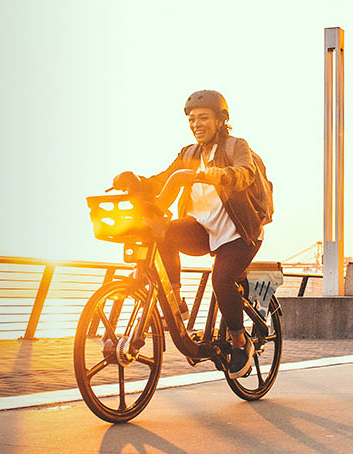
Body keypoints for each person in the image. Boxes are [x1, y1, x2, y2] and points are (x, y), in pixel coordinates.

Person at [116, 90, 273, 377]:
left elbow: (246, 172)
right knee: (162, 232)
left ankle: (240, 342)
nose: (196, 124)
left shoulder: (236, 146)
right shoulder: (189, 154)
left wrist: (224, 175)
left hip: (239, 234)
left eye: (203, 118)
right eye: (191, 119)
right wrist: (134, 182)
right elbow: (162, 180)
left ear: (221, 120)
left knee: (222, 279)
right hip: (203, 229)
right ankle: (177, 302)